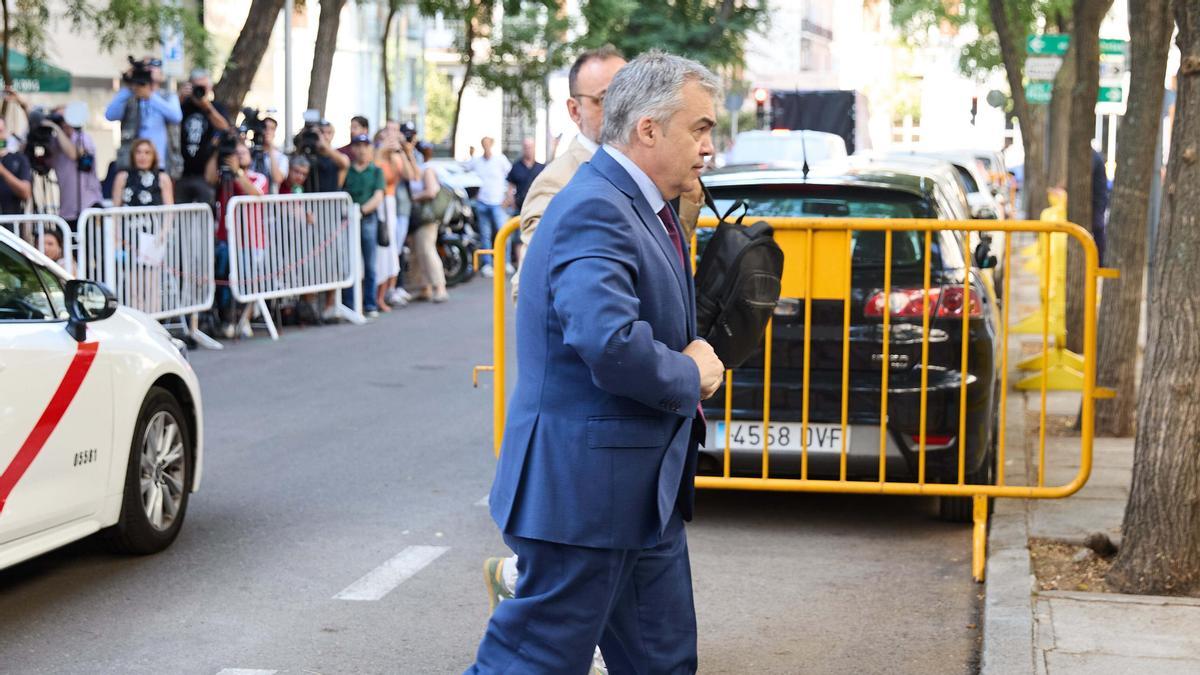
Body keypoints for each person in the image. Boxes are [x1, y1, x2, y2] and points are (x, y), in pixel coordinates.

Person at [469, 50, 724, 673]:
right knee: (531, 662)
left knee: (662, 662)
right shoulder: (595, 206)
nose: (709, 147)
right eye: (700, 128)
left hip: (637, 494)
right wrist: (691, 373)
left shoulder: (639, 203)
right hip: (585, 498)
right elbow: (607, 342)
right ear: (648, 129)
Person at [5, 91, 102, 226]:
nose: (62, 122)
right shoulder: (54, 143)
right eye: (58, 118)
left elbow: (73, 154)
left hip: (88, 208)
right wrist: (24, 106)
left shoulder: (82, 138)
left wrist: (55, 127)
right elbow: (36, 127)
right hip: (66, 211)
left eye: (64, 117)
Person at [214, 141, 267, 338]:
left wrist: (237, 172)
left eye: (243, 152)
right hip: (226, 239)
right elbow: (209, 180)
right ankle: (226, 319)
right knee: (225, 279)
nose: (239, 155)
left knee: (248, 281)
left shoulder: (258, 177)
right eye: (235, 153)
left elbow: (255, 193)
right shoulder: (222, 177)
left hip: (251, 240)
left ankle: (244, 319)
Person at [105, 58, 183, 171]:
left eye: (153, 66)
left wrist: (150, 96)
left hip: (162, 163)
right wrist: (129, 87)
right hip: (132, 164)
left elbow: (176, 117)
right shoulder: (129, 96)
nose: (149, 70)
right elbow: (110, 115)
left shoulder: (167, 96)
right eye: (145, 68)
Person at [342, 134, 385, 317]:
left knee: (370, 264)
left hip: (367, 219)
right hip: (348, 221)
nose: (361, 149)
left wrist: (361, 211)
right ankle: (349, 304)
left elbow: (378, 196)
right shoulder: (347, 170)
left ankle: (370, 304)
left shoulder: (376, 171)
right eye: (358, 145)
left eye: (365, 145)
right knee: (348, 263)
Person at [176, 68, 231, 205]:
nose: (199, 90)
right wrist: (179, 98)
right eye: (196, 86)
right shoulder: (182, 106)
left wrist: (207, 106)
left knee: (206, 212)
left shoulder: (216, 107)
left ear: (210, 88)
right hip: (181, 173)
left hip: (205, 175)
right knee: (180, 214)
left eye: (203, 87)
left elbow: (225, 127)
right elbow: (168, 121)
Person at [407, 142, 448, 303]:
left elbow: (431, 192)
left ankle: (440, 287)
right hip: (418, 218)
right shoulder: (419, 168)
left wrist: (413, 198)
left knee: (427, 251)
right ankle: (425, 288)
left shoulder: (428, 169)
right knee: (418, 252)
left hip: (427, 217)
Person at [466, 136, 511, 278]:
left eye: (487, 143)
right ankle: (487, 264)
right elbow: (466, 169)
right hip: (482, 202)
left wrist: (508, 197)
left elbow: (511, 177)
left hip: (498, 202)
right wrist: (470, 155)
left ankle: (506, 262)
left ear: (491, 144)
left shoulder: (500, 160)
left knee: (504, 233)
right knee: (485, 235)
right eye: (483, 144)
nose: (485, 146)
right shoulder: (477, 161)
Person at [504, 138, 543, 270]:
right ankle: (521, 267)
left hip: (537, 209)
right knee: (518, 239)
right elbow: (510, 186)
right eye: (526, 147)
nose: (528, 149)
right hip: (520, 209)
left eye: (530, 147)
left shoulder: (541, 167)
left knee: (536, 238)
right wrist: (511, 200)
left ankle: (534, 266)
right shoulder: (516, 166)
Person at [112, 139, 174, 207]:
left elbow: (169, 209)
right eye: (138, 152)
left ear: (154, 156)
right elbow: (116, 208)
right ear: (133, 155)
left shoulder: (163, 178)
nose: (142, 156)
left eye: (147, 152)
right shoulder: (122, 177)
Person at [0, 117, 33, 215]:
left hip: (11, 221)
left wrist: (2, 171)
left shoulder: (19, 159)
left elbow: (26, 193)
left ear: (6, 132)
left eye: (0, 131)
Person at [252, 117, 288, 193]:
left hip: (271, 198)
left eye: (271, 128)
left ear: (275, 132)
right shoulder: (251, 154)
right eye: (265, 128)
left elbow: (277, 179)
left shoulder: (282, 157)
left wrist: (271, 148)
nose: (268, 131)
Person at [314, 121, 351, 192]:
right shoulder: (310, 155)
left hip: (332, 196)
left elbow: (344, 163)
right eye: (322, 132)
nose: (325, 136)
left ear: (333, 134)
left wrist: (325, 146)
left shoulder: (338, 157)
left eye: (329, 132)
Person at [1091, 147, 1110, 265]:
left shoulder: (1094, 157)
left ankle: (1100, 263)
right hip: (1097, 201)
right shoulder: (1095, 156)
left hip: (1097, 202)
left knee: (1098, 230)